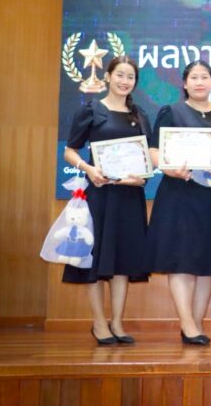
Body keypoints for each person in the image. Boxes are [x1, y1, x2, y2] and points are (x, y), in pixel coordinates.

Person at [146, 61, 211, 345]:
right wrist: (168, 168)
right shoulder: (171, 112)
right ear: (185, 83)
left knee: (208, 260)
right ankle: (187, 323)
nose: (200, 82)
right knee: (181, 258)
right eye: (194, 77)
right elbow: (153, 150)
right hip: (180, 193)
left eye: (205, 77)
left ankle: (197, 323)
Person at [62, 55, 151, 346]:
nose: (125, 81)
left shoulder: (140, 115)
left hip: (129, 197)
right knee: (95, 258)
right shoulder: (91, 111)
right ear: (108, 76)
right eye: (120, 75)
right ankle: (99, 322)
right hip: (99, 195)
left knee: (123, 259)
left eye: (130, 77)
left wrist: (142, 178)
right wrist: (88, 169)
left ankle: (117, 322)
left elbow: (147, 157)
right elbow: (70, 151)